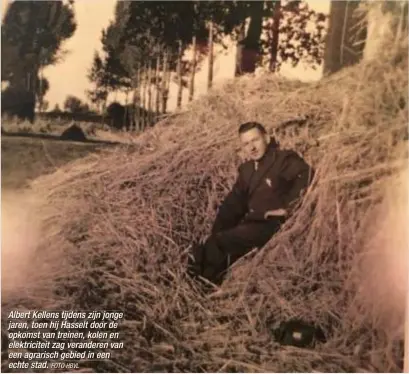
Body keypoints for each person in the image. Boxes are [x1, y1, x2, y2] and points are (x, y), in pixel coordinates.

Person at [187, 121, 315, 286]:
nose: (252, 147)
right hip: (251, 223)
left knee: (220, 243)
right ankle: (197, 278)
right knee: (213, 242)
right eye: (246, 144)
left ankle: (201, 285)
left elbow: (306, 175)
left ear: (267, 139)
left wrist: (287, 208)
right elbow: (233, 203)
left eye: (255, 140)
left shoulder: (282, 159)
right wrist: (216, 232)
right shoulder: (246, 169)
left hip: (271, 224)